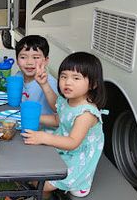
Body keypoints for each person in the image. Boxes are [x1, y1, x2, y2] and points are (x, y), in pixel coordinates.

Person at [21, 52, 108, 199]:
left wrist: (43, 137)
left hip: (78, 156)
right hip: (65, 144)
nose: (67, 82)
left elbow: (73, 143)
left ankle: (76, 186)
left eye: (76, 78)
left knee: (43, 183)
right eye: (64, 76)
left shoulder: (86, 113)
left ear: (93, 84)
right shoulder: (69, 100)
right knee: (33, 158)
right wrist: (44, 84)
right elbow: (58, 117)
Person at [14, 35, 58, 131]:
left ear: (46, 60)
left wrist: (44, 85)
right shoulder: (18, 76)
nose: (29, 62)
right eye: (23, 57)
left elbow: (58, 108)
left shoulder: (49, 82)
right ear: (17, 60)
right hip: (24, 124)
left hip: (45, 130)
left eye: (36, 57)